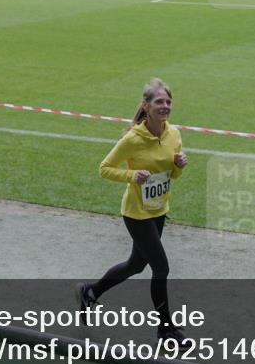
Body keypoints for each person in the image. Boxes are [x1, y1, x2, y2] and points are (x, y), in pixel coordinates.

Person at [78, 78, 192, 348]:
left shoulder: (173, 134)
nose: (165, 106)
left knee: (136, 265)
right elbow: (104, 168)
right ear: (146, 105)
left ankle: (90, 292)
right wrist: (132, 175)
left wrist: (179, 165)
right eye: (159, 102)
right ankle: (165, 330)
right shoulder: (133, 139)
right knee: (161, 267)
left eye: (168, 102)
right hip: (136, 213)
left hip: (158, 209)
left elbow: (171, 176)